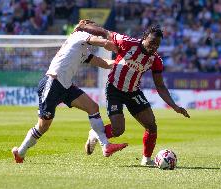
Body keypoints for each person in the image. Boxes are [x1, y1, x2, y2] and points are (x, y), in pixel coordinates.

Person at [11, 21, 128, 163]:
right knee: (43, 126)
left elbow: (102, 63)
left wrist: (121, 63)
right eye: (93, 28)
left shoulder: (82, 48)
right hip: (52, 83)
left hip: (66, 86)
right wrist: (112, 45)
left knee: (93, 107)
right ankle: (21, 152)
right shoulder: (79, 35)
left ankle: (106, 146)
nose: (95, 31)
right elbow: (100, 42)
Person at [81, 23, 190, 166]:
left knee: (151, 125)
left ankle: (147, 159)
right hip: (114, 88)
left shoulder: (155, 60)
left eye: (157, 45)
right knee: (118, 130)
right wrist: (83, 27)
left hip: (133, 92)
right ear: (144, 38)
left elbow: (160, 86)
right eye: (152, 43)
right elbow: (105, 32)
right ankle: (95, 133)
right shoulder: (127, 42)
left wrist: (174, 106)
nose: (154, 47)